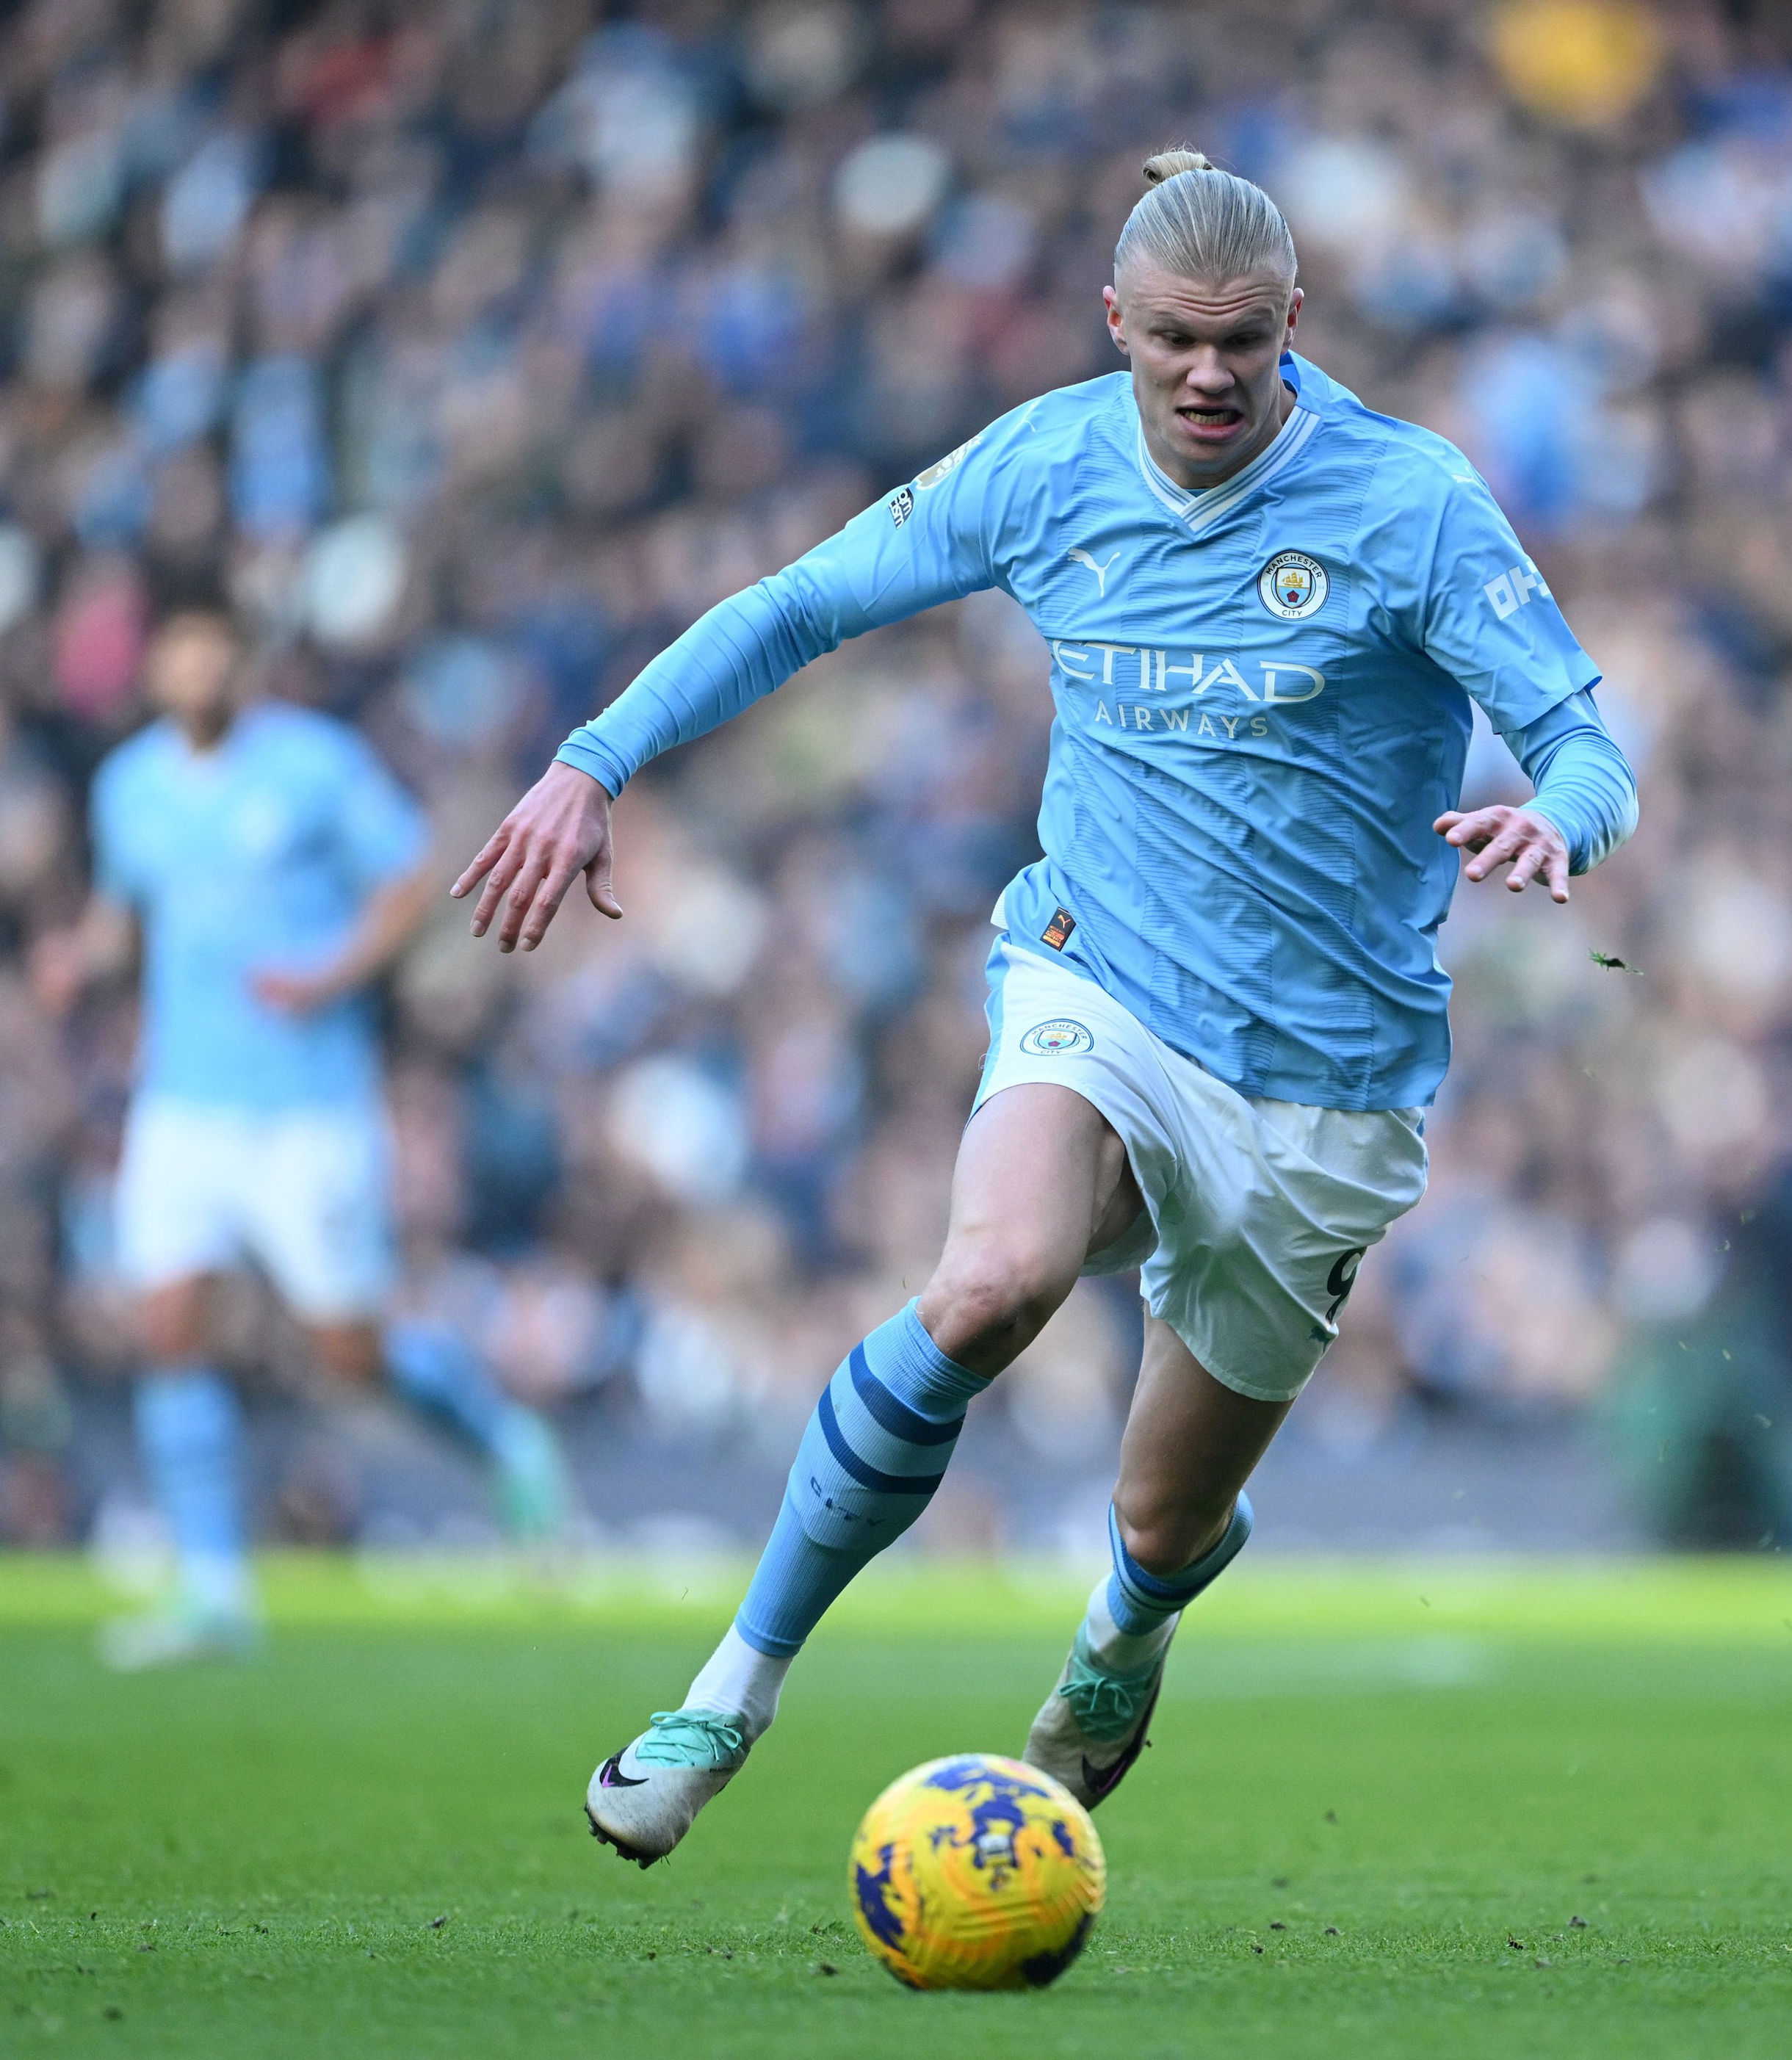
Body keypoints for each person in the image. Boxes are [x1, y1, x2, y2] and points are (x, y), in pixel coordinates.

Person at [454, 150, 1638, 1867]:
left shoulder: (1413, 503)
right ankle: (730, 1684)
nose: (1208, 373)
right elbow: (801, 603)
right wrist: (593, 756)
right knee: (989, 1281)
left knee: (1163, 1509)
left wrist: (1560, 819)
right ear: (1115, 323)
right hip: (1098, 985)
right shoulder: (1044, 461)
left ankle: (1128, 1626)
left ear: (1296, 323)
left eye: (1242, 339)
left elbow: (1588, 740)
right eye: (1172, 340)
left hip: (1326, 1082)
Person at [38, 607, 571, 1670]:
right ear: (156, 668)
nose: (198, 669)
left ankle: (503, 1438)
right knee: (168, 1322)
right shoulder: (129, 786)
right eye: (180, 650)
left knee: (349, 1353)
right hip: (182, 1102)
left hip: (307, 1108)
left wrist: (332, 972)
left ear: (241, 663)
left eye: (215, 650)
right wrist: (83, 957)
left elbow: (412, 878)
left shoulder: (314, 764)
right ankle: (213, 1590)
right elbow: (125, 912)